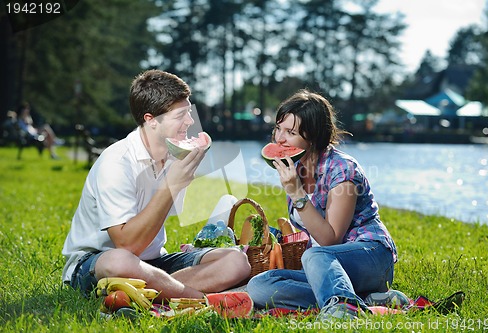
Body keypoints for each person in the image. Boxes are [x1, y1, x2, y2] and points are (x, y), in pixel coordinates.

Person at [62, 70, 251, 308]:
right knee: (120, 262)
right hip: (96, 263)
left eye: (189, 113)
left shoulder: (173, 156)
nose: (190, 122)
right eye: (180, 115)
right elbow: (128, 245)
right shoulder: (116, 162)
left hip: (152, 263)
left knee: (236, 261)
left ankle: (144, 292)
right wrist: (171, 185)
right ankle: (202, 301)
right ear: (151, 120)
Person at [247, 89, 399, 320]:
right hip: (327, 266)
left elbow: (330, 239)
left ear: (314, 136)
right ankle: (363, 298)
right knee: (261, 285)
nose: (279, 138)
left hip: (371, 256)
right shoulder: (296, 167)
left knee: (315, 256)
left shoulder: (343, 170)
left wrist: (296, 193)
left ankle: (344, 311)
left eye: (290, 132)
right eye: (278, 128)